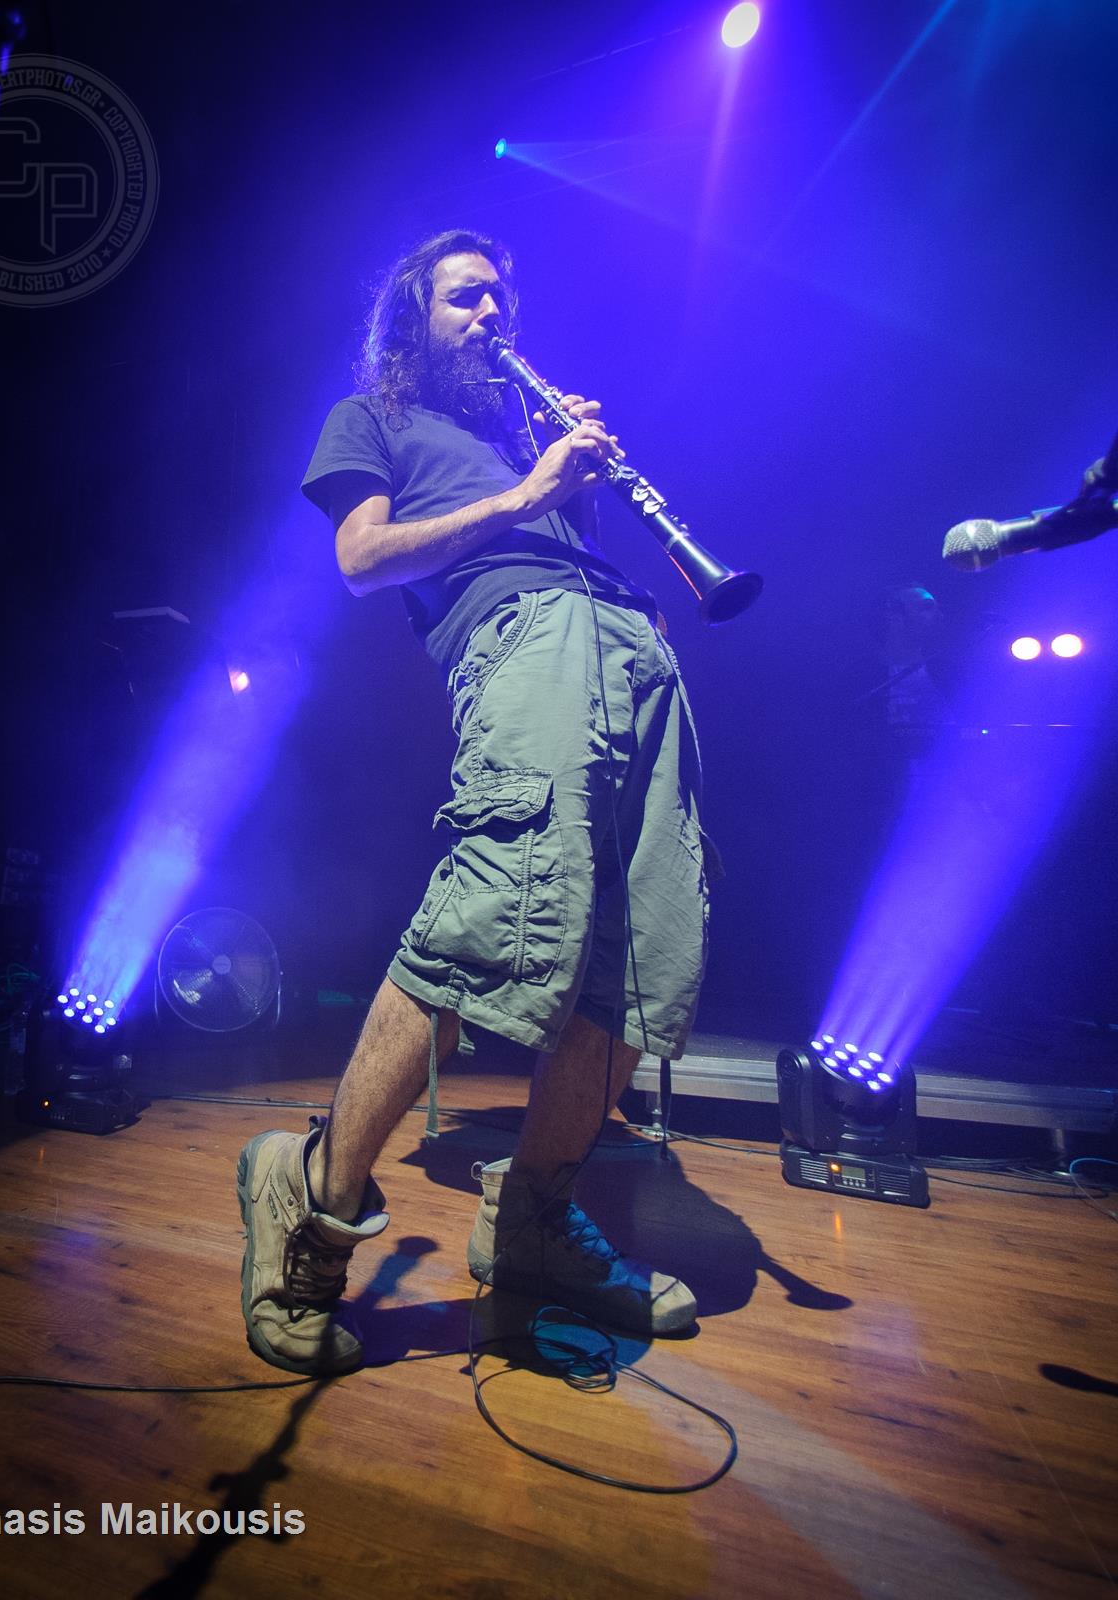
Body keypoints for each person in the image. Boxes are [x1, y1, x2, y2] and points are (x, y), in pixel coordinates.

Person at [236, 229, 710, 1376]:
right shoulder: (374, 419)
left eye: (500, 295)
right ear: (412, 318)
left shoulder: (521, 437)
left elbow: (556, 533)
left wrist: (558, 478)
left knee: (645, 954)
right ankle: (310, 1203)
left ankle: (533, 1216)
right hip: (518, 640)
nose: (491, 313)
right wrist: (526, 494)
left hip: (630, 649)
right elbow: (362, 562)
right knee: (487, 919)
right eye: (464, 297)